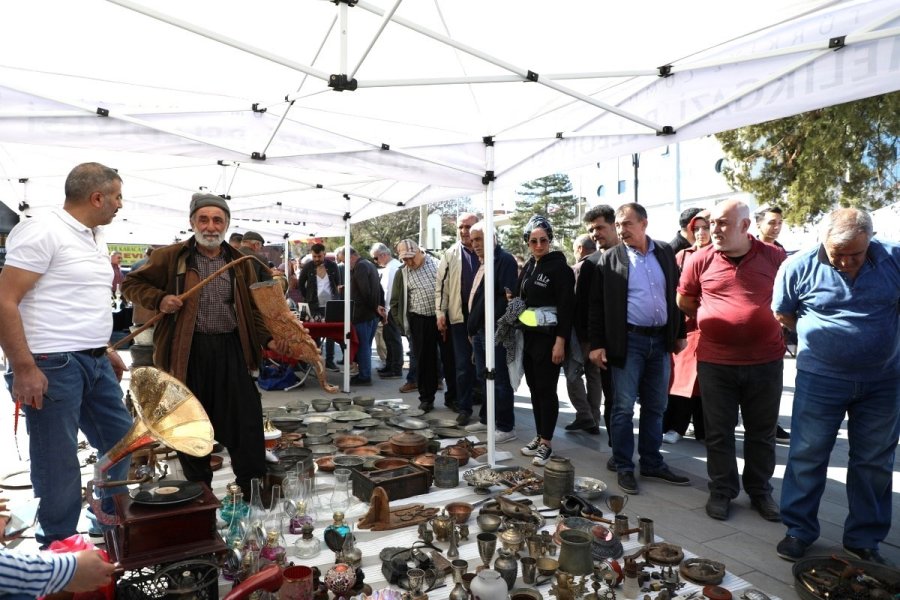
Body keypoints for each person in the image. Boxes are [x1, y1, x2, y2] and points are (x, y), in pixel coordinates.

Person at [0, 162, 134, 547]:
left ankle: (105, 514)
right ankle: (58, 544)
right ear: (97, 197)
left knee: (121, 438)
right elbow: (6, 300)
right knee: (57, 459)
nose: (120, 205)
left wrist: (102, 347)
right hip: (50, 363)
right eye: (117, 197)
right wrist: (24, 367)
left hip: (90, 359)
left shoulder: (94, 235)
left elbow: (76, 301)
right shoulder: (43, 229)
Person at [122, 192, 283, 496]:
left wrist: (270, 339)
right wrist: (160, 299)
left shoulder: (241, 262)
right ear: (192, 222)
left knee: (246, 426)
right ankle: (200, 500)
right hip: (189, 354)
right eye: (204, 219)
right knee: (192, 428)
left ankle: (253, 495)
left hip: (232, 352)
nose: (210, 226)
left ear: (226, 224)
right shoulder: (171, 257)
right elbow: (131, 284)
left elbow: (253, 312)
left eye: (217, 220)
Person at [772, 208, 900, 565]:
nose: (845, 262)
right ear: (822, 242)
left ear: (870, 242)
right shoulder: (797, 266)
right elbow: (784, 313)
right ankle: (798, 530)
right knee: (807, 454)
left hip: (884, 381)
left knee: (874, 461)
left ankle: (864, 538)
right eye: (836, 254)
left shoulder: (894, 259)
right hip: (820, 379)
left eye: (855, 255)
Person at [677, 199, 785, 521]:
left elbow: (791, 297)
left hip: (765, 361)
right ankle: (722, 490)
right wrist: (718, 319)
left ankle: (760, 491)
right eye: (712, 224)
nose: (715, 230)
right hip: (716, 362)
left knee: (761, 431)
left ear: (745, 226)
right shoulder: (700, 259)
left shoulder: (774, 257)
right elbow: (684, 299)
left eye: (723, 223)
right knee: (718, 431)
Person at [589, 203, 689, 495]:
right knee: (622, 407)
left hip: (660, 342)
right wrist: (597, 345)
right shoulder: (610, 259)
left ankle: (652, 462)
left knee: (657, 405)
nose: (621, 230)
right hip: (628, 342)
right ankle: (623, 465)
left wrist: (679, 332)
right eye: (618, 225)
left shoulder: (664, 253)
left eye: (627, 224)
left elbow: (675, 294)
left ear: (644, 223)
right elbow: (596, 307)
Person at [516, 215, 575, 467]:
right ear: (527, 243)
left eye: (543, 240)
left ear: (550, 240)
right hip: (529, 337)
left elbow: (567, 308)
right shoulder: (530, 265)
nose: (538, 245)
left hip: (549, 339)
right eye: (533, 241)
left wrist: (560, 342)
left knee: (547, 391)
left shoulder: (559, 268)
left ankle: (547, 443)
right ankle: (540, 436)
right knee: (534, 390)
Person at [464, 220, 518, 442]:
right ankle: (487, 419)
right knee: (484, 376)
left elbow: (507, 297)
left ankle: (506, 427)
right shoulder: (485, 261)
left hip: (495, 330)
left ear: (492, 239)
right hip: (480, 329)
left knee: (500, 379)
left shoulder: (503, 260)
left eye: (479, 239)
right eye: (473, 239)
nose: (475, 243)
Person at [391, 239, 456, 413]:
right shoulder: (402, 273)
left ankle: (453, 398)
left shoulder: (437, 264)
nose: (409, 262)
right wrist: (403, 325)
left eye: (411, 258)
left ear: (420, 251)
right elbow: (395, 302)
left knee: (450, 359)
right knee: (424, 361)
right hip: (419, 320)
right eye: (405, 259)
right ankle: (426, 398)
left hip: (443, 318)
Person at [662, 209, 709, 445]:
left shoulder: (723, 255)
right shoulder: (682, 255)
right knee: (682, 380)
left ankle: (705, 429)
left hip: (713, 328)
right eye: (696, 228)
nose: (701, 232)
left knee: (708, 384)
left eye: (706, 227)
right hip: (688, 326)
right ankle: (676, 425)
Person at [574, 204, 618, 444]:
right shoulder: (592, 264)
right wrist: (590, 340)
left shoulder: (636, 256)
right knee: (613, 397)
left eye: (600, 227)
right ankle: (616, 448)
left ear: (614, 225)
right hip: (602, 343)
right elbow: (585, 305)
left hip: (636, 341)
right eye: (592, 230)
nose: (595, 233)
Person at [436, 212, 480, 423]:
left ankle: (489, 407)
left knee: (485, 364)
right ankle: (464, 408)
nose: (464, 231)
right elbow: (441, 287)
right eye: (461, 227)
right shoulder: (451, 253)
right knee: (462, 365)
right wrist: (440, 313)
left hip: (483, 317)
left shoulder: (488, 252)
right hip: (459, 316)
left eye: (468, 227)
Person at [754, 204, 791, 443]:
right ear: (758, 224)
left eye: (779, 222)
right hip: (750, 325)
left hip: (773, 325)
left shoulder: (780, 251)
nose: (776, 227)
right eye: (771, 222)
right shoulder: (748, 249)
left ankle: (769, 423)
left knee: (769, 380)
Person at [562, 233, 601, 435]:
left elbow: (573, 302)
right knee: (594, 375)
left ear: (579, 249)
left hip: (580, 333)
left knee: (573, 374)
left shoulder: (579, 269)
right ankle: (594, 417)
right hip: (599, 333)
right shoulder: (605, 261)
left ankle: (584, 415)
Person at [335, 245, 384, 386]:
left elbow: (365, 291)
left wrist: (376, 306)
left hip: (363, 314)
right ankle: (364, 373)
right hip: (371, 313)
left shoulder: (361, 266)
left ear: (351, 256)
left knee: (363, 346)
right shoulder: (369, 264)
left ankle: (364, 376)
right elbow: (378, 289)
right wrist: (378, 306)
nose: (344, 264)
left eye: (344, 261)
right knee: (366, 346)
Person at [299, 243, 343, 371]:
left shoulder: (333, 265)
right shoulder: (308, 266)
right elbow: (301, 284)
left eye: (319, 256)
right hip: (313, 305)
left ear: (324, 254)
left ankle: (329, 360)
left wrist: (336, 299)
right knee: (315, 333)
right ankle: (317, 359)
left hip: (330, 305)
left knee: (330, 333)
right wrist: (307, 297)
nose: (317, 259)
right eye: (314, 256)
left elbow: (337, 283)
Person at [370, 242, 404, 379]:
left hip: (391, 311)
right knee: (389, 339)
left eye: (376, 258)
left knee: (392, 339)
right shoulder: (392, 267)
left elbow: (390, 293)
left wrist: (386, 312)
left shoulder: (392, 268)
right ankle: (391, 365)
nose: (376, 261)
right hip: (391, 310)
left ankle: (395, 368)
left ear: (383, 255)